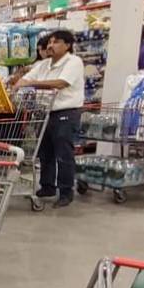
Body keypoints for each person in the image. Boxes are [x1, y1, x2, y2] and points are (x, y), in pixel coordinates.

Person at [12, 30, 85, 208]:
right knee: (45, 153)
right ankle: (47, 186)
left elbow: (61, 83)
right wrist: (16, 83)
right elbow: (25, 79)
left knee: (64, 154)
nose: (51, 45)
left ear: (67, 45)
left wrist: (31, 84)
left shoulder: (73, 62)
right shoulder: (44, 65)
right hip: (45, 112)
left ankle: (66, 191)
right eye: (50, 42)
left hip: (66, 113)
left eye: (56, 42)